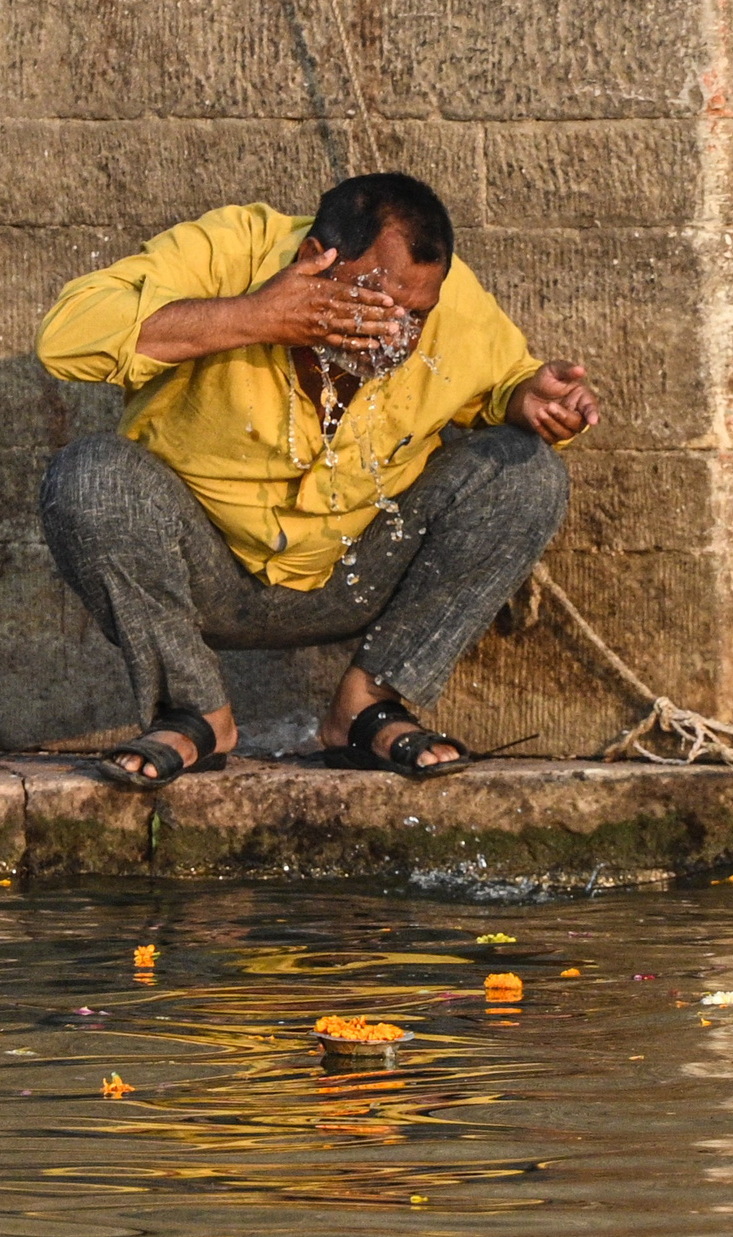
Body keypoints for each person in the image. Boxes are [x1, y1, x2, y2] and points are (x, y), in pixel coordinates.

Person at [34, 173, 597, 789]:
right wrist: (254, 315)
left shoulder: (441, 297)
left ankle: (366, 707)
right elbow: (66, 339)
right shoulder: (235, 251)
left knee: (525, 471)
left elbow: (503, 381)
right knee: (90, 475)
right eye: (376, 304)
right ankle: (198, 712)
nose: (396, 336)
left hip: (357, 582)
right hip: (201, 575)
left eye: (416, 316)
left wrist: (530, 401)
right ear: (314, 260)